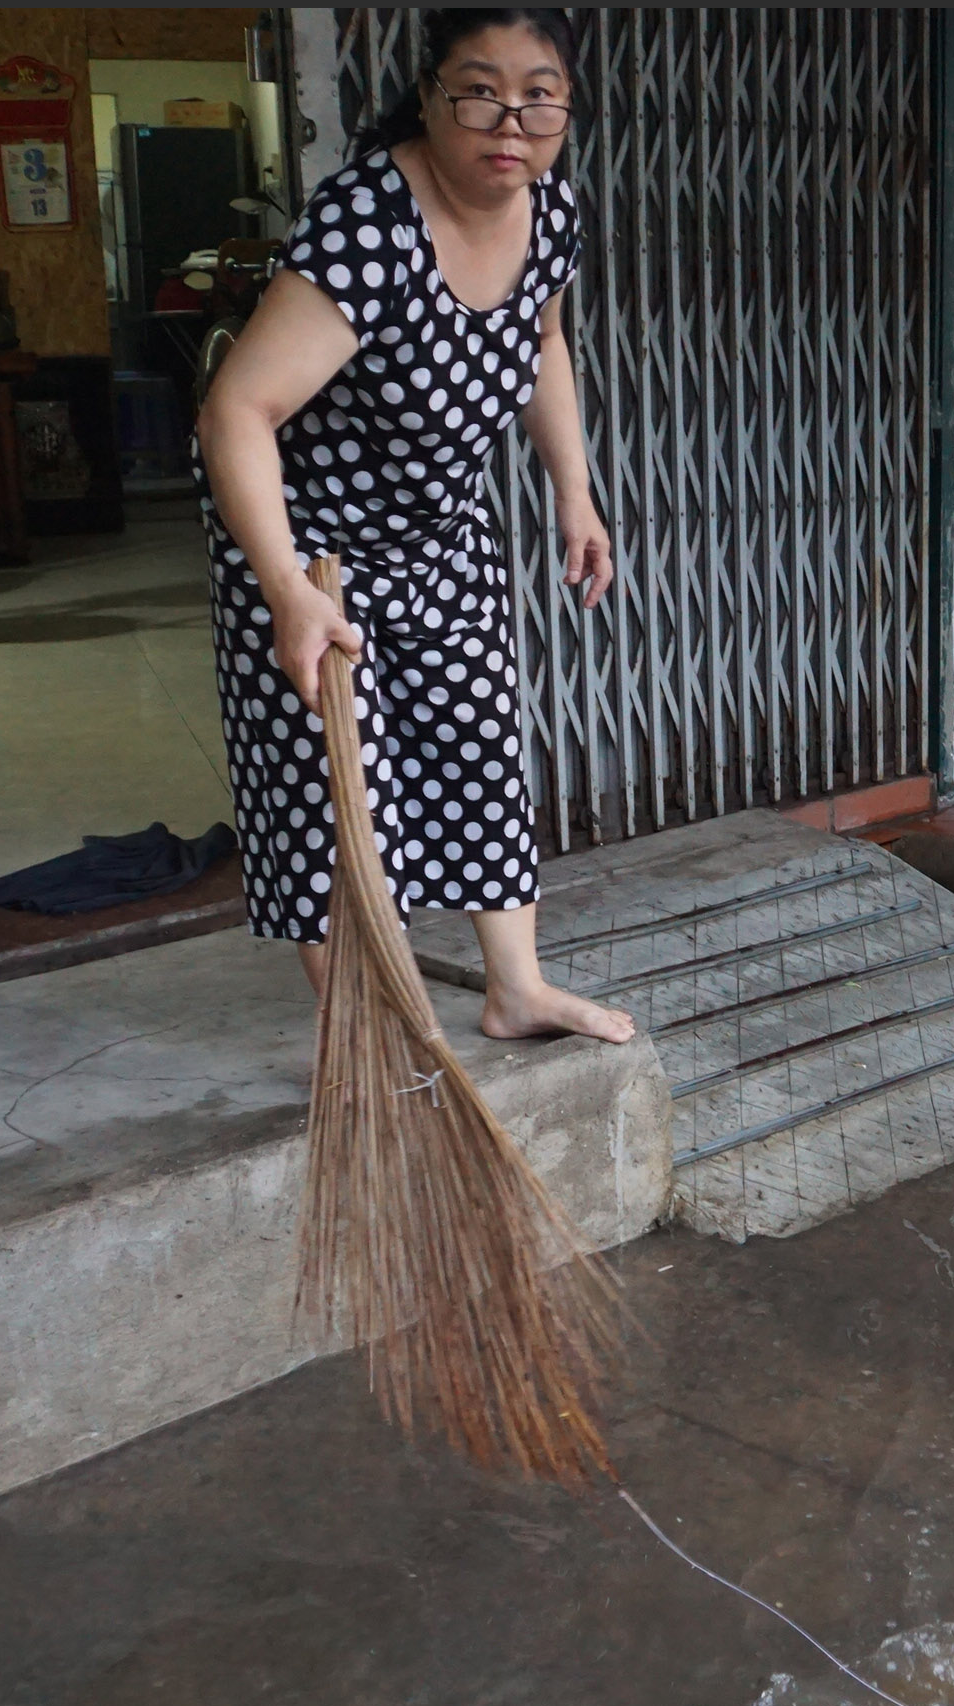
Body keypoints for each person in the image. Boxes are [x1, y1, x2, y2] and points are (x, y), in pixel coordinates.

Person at [197, 9, 631, 1043]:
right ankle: (372, 1030)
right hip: (312, 549)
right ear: (430, 94)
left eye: (540, 94)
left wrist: (573, 488)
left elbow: (544, 341)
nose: (509, 119)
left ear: (568, 110)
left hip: (441, 534)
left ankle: (514, 988)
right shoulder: (367, 222)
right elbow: (234, 413)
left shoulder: (551, 209)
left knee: (481, 747)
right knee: (337, 793)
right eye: (478, 88)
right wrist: (288, 591)